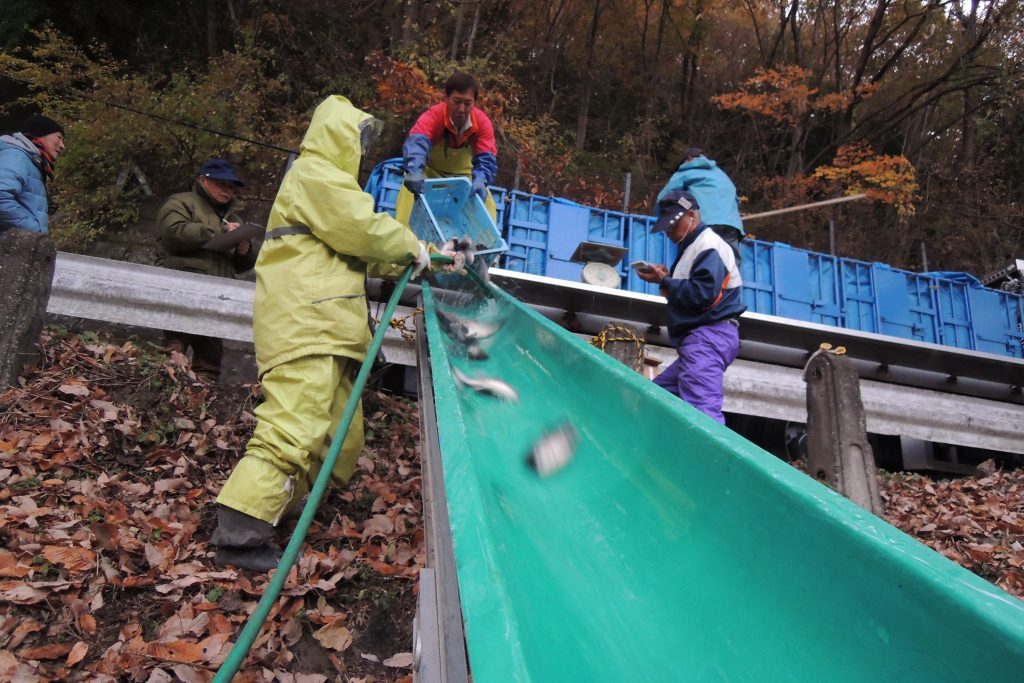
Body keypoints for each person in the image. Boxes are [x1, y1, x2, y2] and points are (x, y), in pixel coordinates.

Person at [211, 95, 460, 571]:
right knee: (295, 426)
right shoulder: (315, 175)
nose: (362, 148)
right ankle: (240, 532)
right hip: (307, 322)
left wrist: (426, 255)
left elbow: (367, 248)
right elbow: (361, 229)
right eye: (359, 139)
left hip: (328, 325)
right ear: (340, 137)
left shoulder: (327, 186)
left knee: (338, 438)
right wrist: (413, 246)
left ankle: (283, 513)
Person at [636, 190, 745, 425]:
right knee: (656, 400)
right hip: (704, 338)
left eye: (674, 225)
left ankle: (708, 461)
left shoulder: (708, 245)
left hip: (707, 337)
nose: (670, 233)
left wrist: (664, 281)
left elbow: (703, 295)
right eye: (666, 228)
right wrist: (667, 280)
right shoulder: (694, 247)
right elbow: (694, 293)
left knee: (703, 415)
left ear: (692, 215)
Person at [157, 158, 257, 379]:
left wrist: (243, 249)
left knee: (210, 361)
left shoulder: (233, 217)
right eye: (222, 184)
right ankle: (160, 398)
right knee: (174, 351)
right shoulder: (181, 202)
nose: (227, 190)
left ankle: (199, 404)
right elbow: (173, 233)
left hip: (217, 296)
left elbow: (241, 265)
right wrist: (220, 232)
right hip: (182, 289)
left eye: (231, 186)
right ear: (203, 180)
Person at [395, 71, 498, 223]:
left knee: (487, 205)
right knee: (408, 196)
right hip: (430, 174)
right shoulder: (433, 116)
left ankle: (483, 246)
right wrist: (415, 171)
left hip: (464, 177)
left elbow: (486, 157)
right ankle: (403, 241)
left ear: (474, 103)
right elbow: (416, 144)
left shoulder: (482, 123)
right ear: (446, 98)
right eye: (456, 101)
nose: (461, 109)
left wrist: (481, 180)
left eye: (467, 103)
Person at [657, 147, 744, 261]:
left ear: (688, 159)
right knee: (730, 264)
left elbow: (663, 199)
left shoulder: (685, 171)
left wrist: (661, 220)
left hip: (704, 223)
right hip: (731, 226)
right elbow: (736, 200)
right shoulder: (721, 175)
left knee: (694, 262)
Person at [0, 114, 66, 233]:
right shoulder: (16, 156)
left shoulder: (33, 162)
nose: (62, 145)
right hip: (11, 246)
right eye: (59, 137)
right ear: (40, 133)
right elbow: (1, 196)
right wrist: (33, 231)